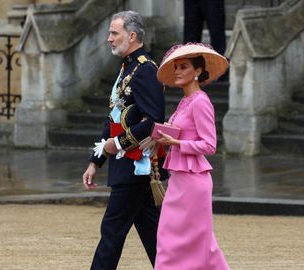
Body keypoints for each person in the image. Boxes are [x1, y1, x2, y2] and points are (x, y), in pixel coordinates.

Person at [82, 10, 166, 270]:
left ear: (131, 36)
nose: (109, 38)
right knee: (155, 238)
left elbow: (153, 121)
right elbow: (113, 118)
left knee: (112, 231)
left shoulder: (146, 70)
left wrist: (117, 144)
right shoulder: (128, 67)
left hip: (136, 167)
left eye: (114, 33)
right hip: (128, 167)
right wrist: (96, 160)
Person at [153, 42, 230, 269]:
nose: (177, 71)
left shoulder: (201, 102)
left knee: (188, 242)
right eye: (176, 67)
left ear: (197, 72)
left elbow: (209, 145)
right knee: (176, 239)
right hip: (179, 178)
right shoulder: (185, 101)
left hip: (193, 182)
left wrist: (176, 142)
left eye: (184, 67)